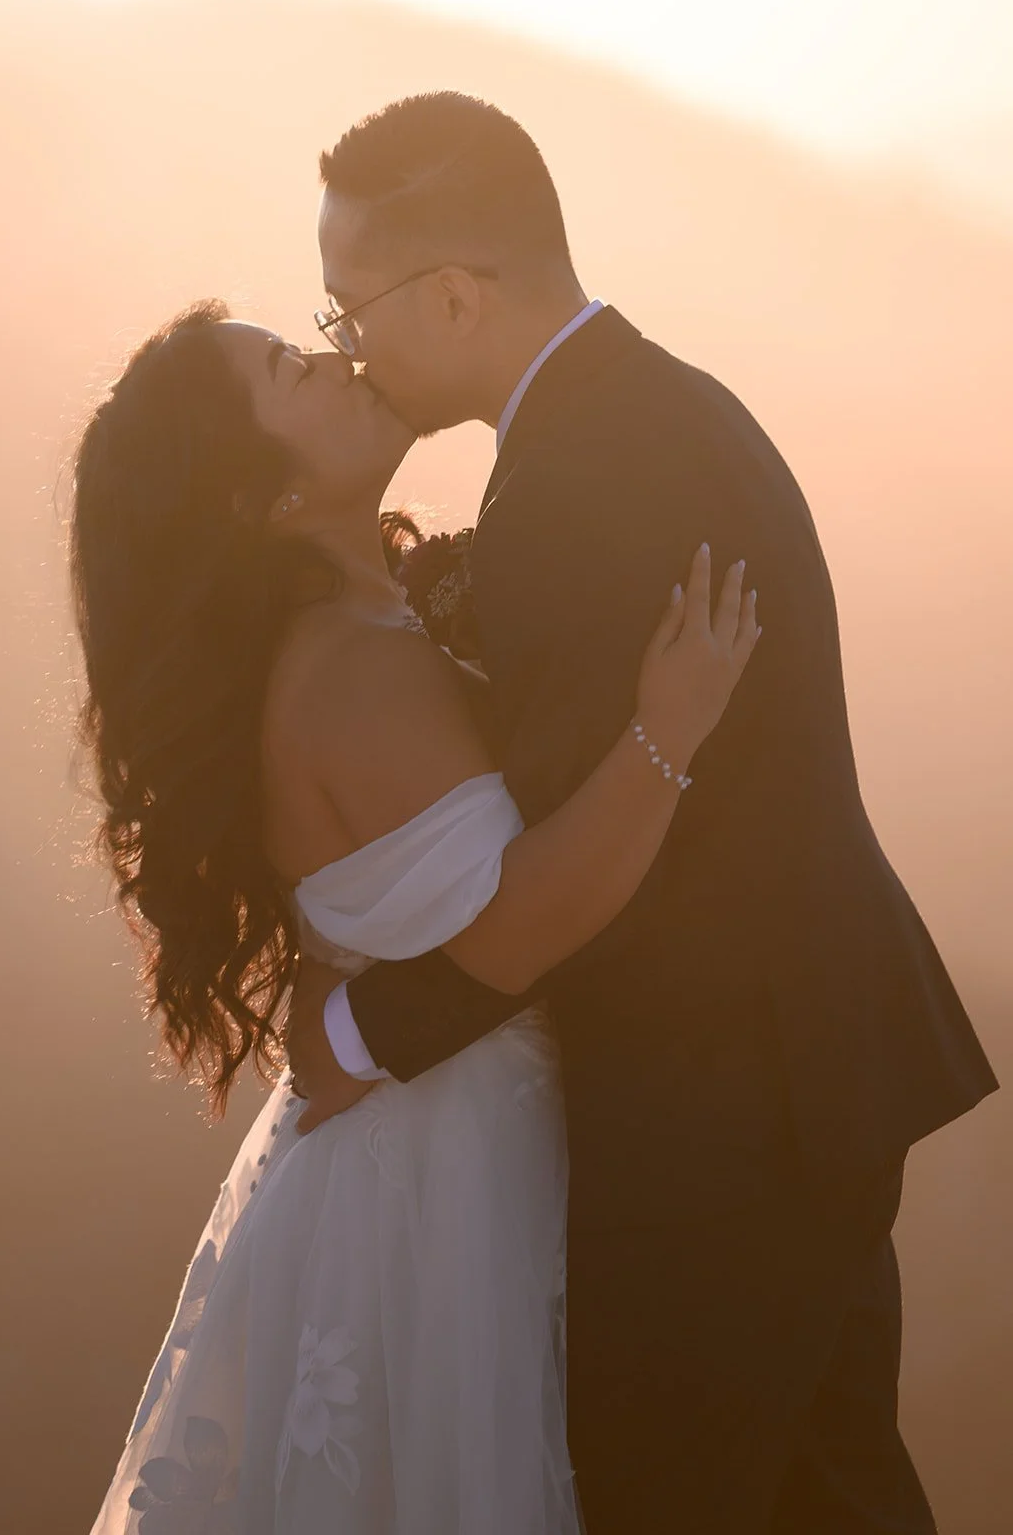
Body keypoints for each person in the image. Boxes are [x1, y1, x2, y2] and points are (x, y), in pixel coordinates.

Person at [285, 91, 999, 1532]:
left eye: (345, 311)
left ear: (453, 296)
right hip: (799, 1088)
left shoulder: (583, 483)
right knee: (831, 1498)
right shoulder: (653, 408)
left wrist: (360, 1034)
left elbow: (569, 873)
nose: (341, 348)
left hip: (716, 1135)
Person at [74, 298, 759, 1534]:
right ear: (261, 500)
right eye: (293, 369)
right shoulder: (346, 668)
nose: (337, 360)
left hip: (416, 1133)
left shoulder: (370, 620)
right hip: (445, 1178)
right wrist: (672, 726)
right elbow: (511, 932)